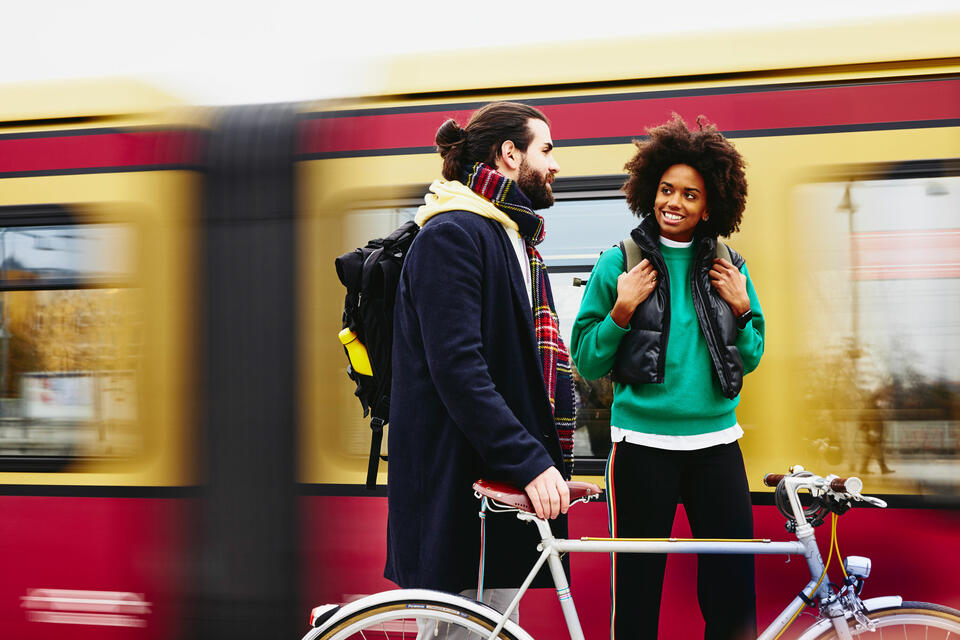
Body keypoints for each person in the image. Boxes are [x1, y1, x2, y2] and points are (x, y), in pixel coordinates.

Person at [385, 102, 590, 630]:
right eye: (546, 150)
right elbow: (459, 370)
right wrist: (532, 461)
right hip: (458, 493)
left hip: (489, 488)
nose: (556, 164)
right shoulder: (453, 235)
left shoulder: (511, 237)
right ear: (508, 155)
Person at [571, 114, 765, 640]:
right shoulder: (619, 263)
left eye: (690, 195)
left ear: (711, 205)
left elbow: (751, 356)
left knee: (731, 600)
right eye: (665, 190)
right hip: (640, 447)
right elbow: (586, 360)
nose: (674, 202)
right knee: (636, 596)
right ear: (648, 190)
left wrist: (744, 308)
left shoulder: (730, 266)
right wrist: (622, 310)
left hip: (717, 446)